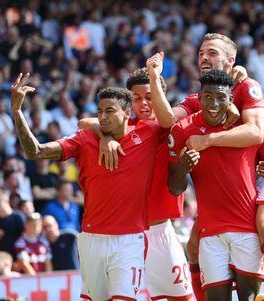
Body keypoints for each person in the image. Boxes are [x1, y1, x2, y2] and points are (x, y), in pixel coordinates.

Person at [10, 73, 171, 300]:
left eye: (110, 111)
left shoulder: (148, 133)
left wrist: (155, 76)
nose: (103, 117)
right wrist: (17, 112)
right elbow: (34, 151)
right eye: (99, 112)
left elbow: (169, 120)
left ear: (127, 113)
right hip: (92, 239)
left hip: (130, 240)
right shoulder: (84, 140)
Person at [175, 33, 264, 301]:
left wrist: (207, 140)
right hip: (231, 184)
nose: (204, 57)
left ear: (230, 61)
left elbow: (256, 133)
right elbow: (169, 119)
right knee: (193, 246)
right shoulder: (199, 96)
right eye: (201, 52)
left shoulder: (247, 85)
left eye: (212, 53)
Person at [78, 55, 193, 300]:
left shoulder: (173, 124)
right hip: (122, 237)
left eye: (149, 97)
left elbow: (165, 119)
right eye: (137, 98)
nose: (143, 104)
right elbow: (85, 121)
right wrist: (106, 136)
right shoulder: (123, 126)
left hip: (159, 231)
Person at [168, 69, 264, 301]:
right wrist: (182, 168)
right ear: (199, 98)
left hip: (247, 229)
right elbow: (174, 187)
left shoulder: (246, 126)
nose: (214, 103)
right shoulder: (183, 130)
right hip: (210, 234)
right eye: (208, 97)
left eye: (221, 97)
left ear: (230, 99)